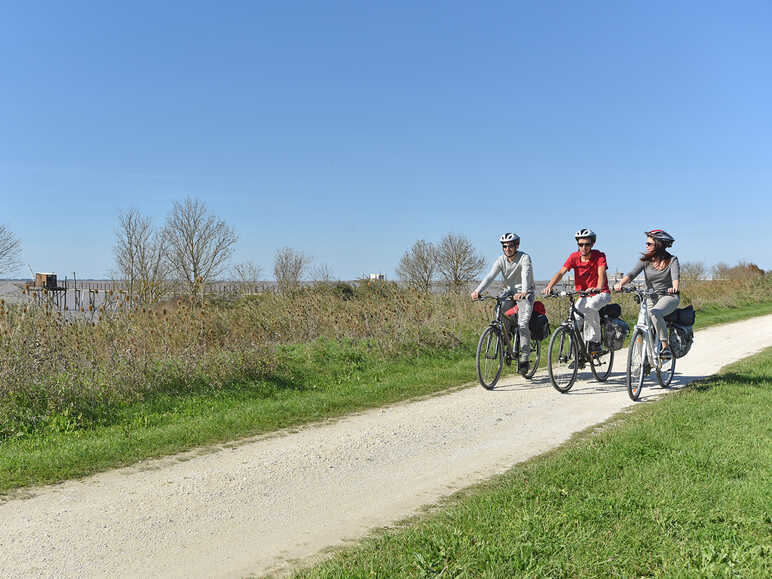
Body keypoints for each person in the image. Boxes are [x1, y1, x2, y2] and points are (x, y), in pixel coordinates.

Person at [471, 233, 535, 374]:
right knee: (499, 313)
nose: (507, 249)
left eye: (510, 246)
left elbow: (525, 275)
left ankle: (524, 358)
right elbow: (490, 276)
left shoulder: (524, 258)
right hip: (509, 293)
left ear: (516, 246)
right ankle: (507, 339)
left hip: (525, 294)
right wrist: (477, 291)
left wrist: (523, 292)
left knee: (523, 323)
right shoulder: (501, 260)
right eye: (504, 246)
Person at [542, 228, 611, 356]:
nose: (583, 247)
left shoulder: (599, 256)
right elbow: (561, 272)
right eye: (580, 244)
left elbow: (601, 273)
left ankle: (595, 343)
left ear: (592, 244)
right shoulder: (574, 257)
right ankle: (577, 354)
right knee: (575, 320)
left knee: (591, 307)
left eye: (587, 244)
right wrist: (550, 286)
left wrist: (598, 287)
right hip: (584, 295)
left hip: (601, 293)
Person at [614, 229, 680, 359]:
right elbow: (632, 274)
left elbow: (675, 278)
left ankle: (665, 347)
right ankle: (644, 359)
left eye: (649, 244)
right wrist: (621, 284)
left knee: (655, 313)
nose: (646, 246)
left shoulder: (672, 260)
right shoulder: (645, 260)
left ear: (659, 245)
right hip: (650, 297)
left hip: (668, 296)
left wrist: (674, 288)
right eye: (647, 243)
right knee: (642, 324)